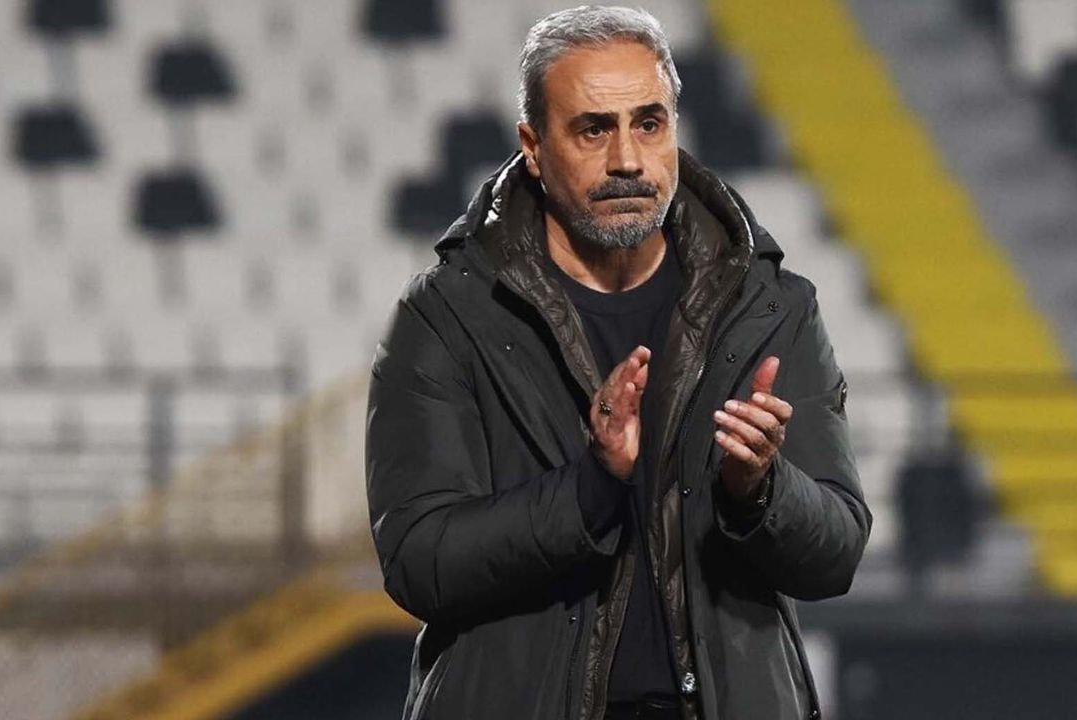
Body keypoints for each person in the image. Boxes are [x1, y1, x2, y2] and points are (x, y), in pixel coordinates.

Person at [365, 7, 871, 719]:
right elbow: (419, 562)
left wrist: (759, 490)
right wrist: (592, 488)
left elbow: (836, 554)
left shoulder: (770, 307)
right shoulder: (446, 316)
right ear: (533, 147)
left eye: (649, 123)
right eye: (594, 129)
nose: (628, 159)